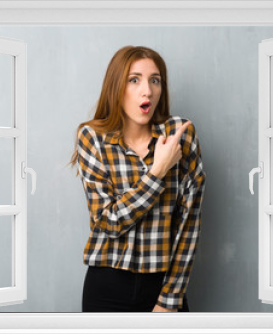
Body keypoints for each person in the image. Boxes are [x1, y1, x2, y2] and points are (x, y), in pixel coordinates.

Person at [69, 45, 206, 312]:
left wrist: (169, 300)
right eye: (134, 80)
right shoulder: (92, 137)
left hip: (164, 285)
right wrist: (157, 172)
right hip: (107, 285)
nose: (148, 90)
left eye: (155, 80)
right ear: (116, 86)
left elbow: (189, 224)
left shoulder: (180, 135)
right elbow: (109, 223)